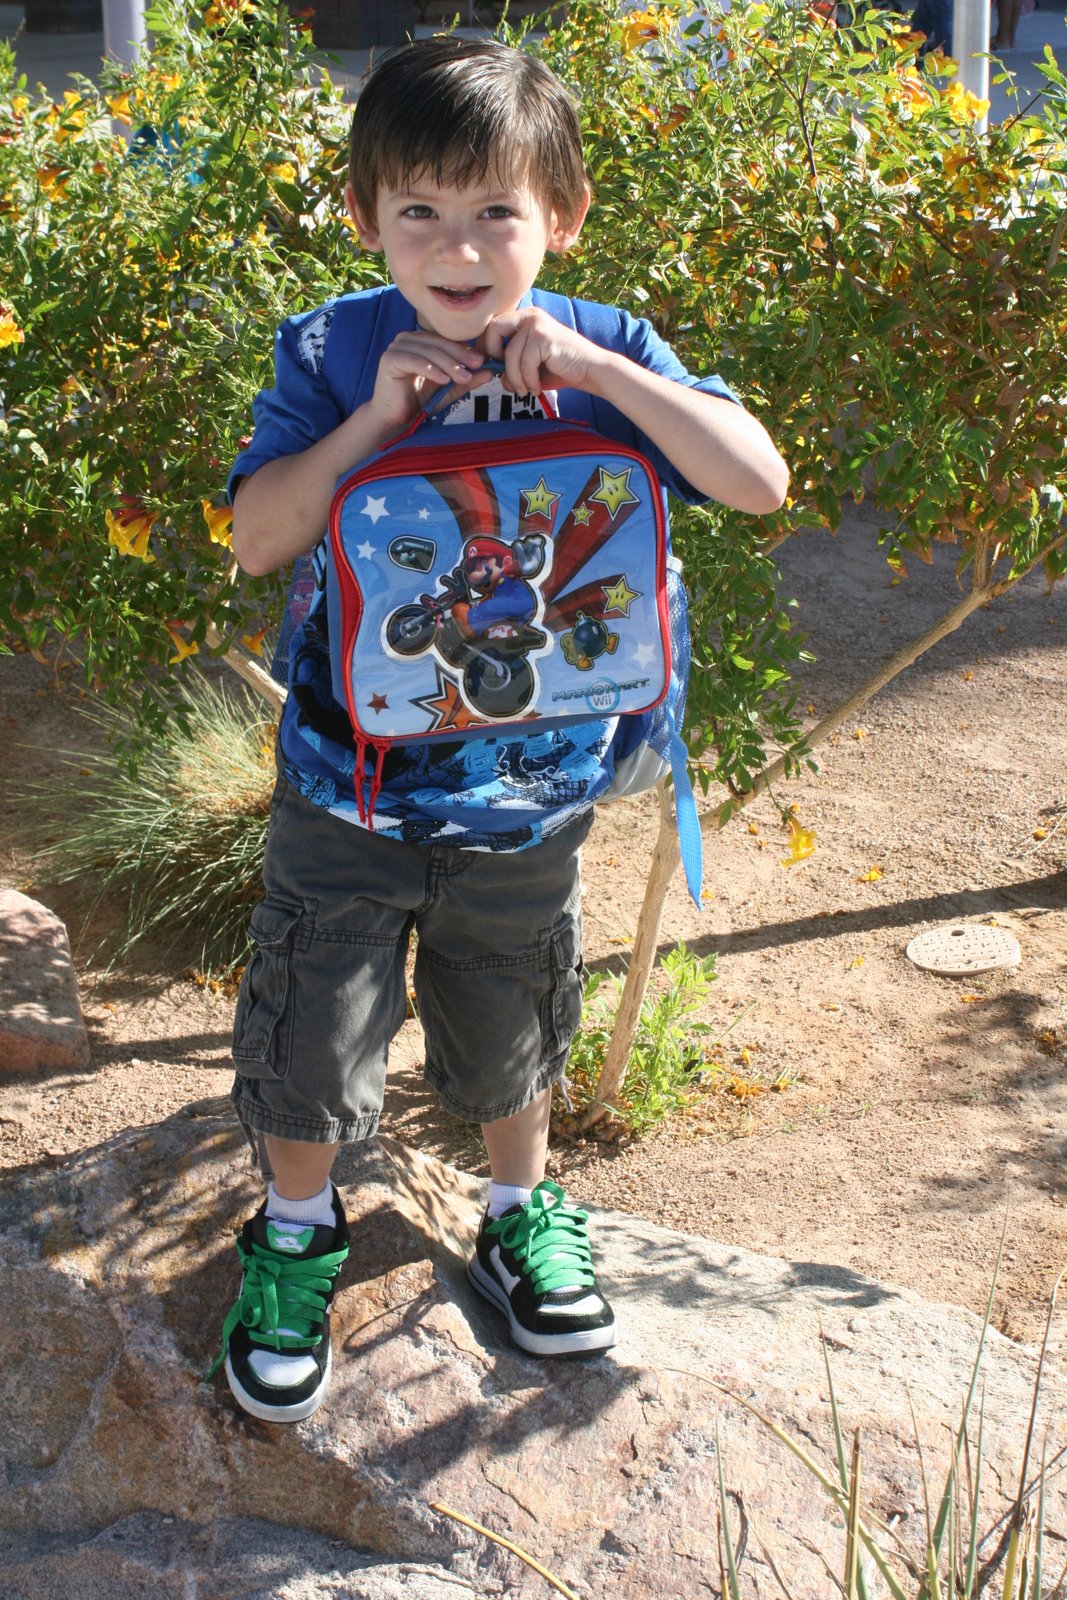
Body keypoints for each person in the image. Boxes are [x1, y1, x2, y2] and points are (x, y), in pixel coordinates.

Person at [211, 34, 788, 1425]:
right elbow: (258, 537)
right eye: (418, 210)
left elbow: (758, 482)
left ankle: (520, 1208)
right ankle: (296, 1230)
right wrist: (374, 419)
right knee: (315, 1008)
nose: (457, 249)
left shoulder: (608, 349)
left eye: (496, 212)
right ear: (367, 217)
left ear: (562, 216)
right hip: (347, 786)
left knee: (513, 998)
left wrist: (600, 374)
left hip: (534, 790)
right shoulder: (335, 349)